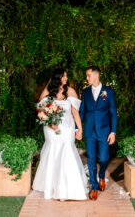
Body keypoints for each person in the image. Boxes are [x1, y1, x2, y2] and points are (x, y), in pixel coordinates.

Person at [32, 68, 88, 200]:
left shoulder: (71, 91)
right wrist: (50, 124)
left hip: (67, 129)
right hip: (51, 130)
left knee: (67, 151)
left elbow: (75, 112)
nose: (66, 78)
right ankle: (52, 186)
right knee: (53, 152)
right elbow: (40, 111)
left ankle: (68, 187)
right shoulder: (47, 92)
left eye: (66, 76)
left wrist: (79, 129)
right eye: (64, 76)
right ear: (58, 78)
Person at [79, 66, 117, 200]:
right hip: (89, 131)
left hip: (104, 131)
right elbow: (81, 111)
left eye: (88, 75)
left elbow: (113, 113)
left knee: (104, 158)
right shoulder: (85, 92)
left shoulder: (108, 91)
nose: (87, 78)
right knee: (90, 159)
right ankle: (94, 186)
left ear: (96, 75)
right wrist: (78, 128)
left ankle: (101, 176)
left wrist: (113, 132)